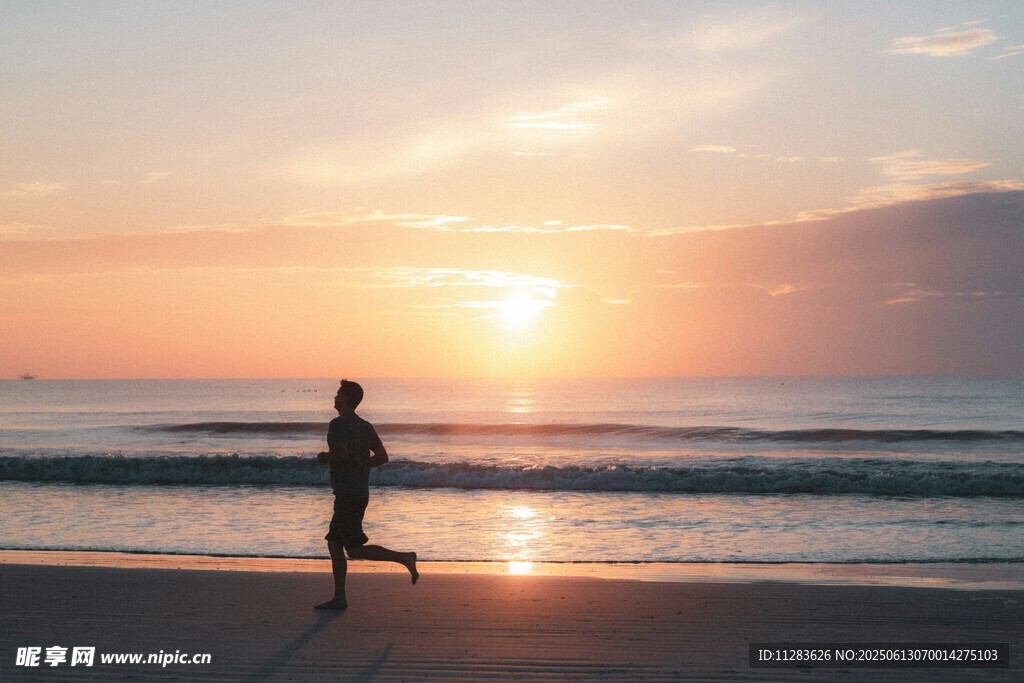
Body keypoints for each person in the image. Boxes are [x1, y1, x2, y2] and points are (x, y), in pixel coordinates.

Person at [315, 379, 418, 610]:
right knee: (341, 545)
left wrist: (324, 457)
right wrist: (362, 465)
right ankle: (340, 596)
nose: (335, 397)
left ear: (346, 399)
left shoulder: (338, 424)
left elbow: (341, 453)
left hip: (348, 493)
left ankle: (403, 558)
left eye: (338, 393)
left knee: (345, 547)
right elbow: (382, 457)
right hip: (360, 492)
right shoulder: (365, 426)